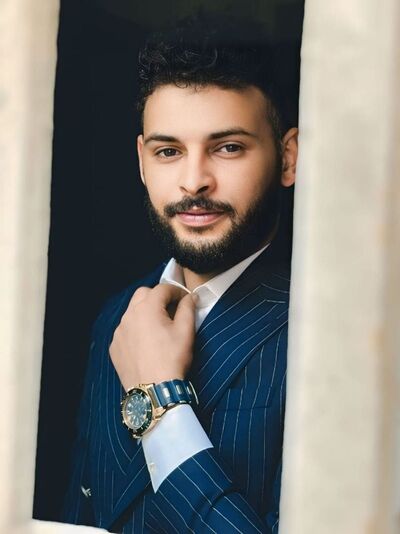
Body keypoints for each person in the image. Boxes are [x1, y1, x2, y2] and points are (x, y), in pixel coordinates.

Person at [63, 14, 298, 534]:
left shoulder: (328, 331)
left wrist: (160, 403)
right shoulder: (117, 318)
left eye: (228, 147)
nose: (194, 182)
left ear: (287, 158)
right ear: (142, 162)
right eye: (168, 151)